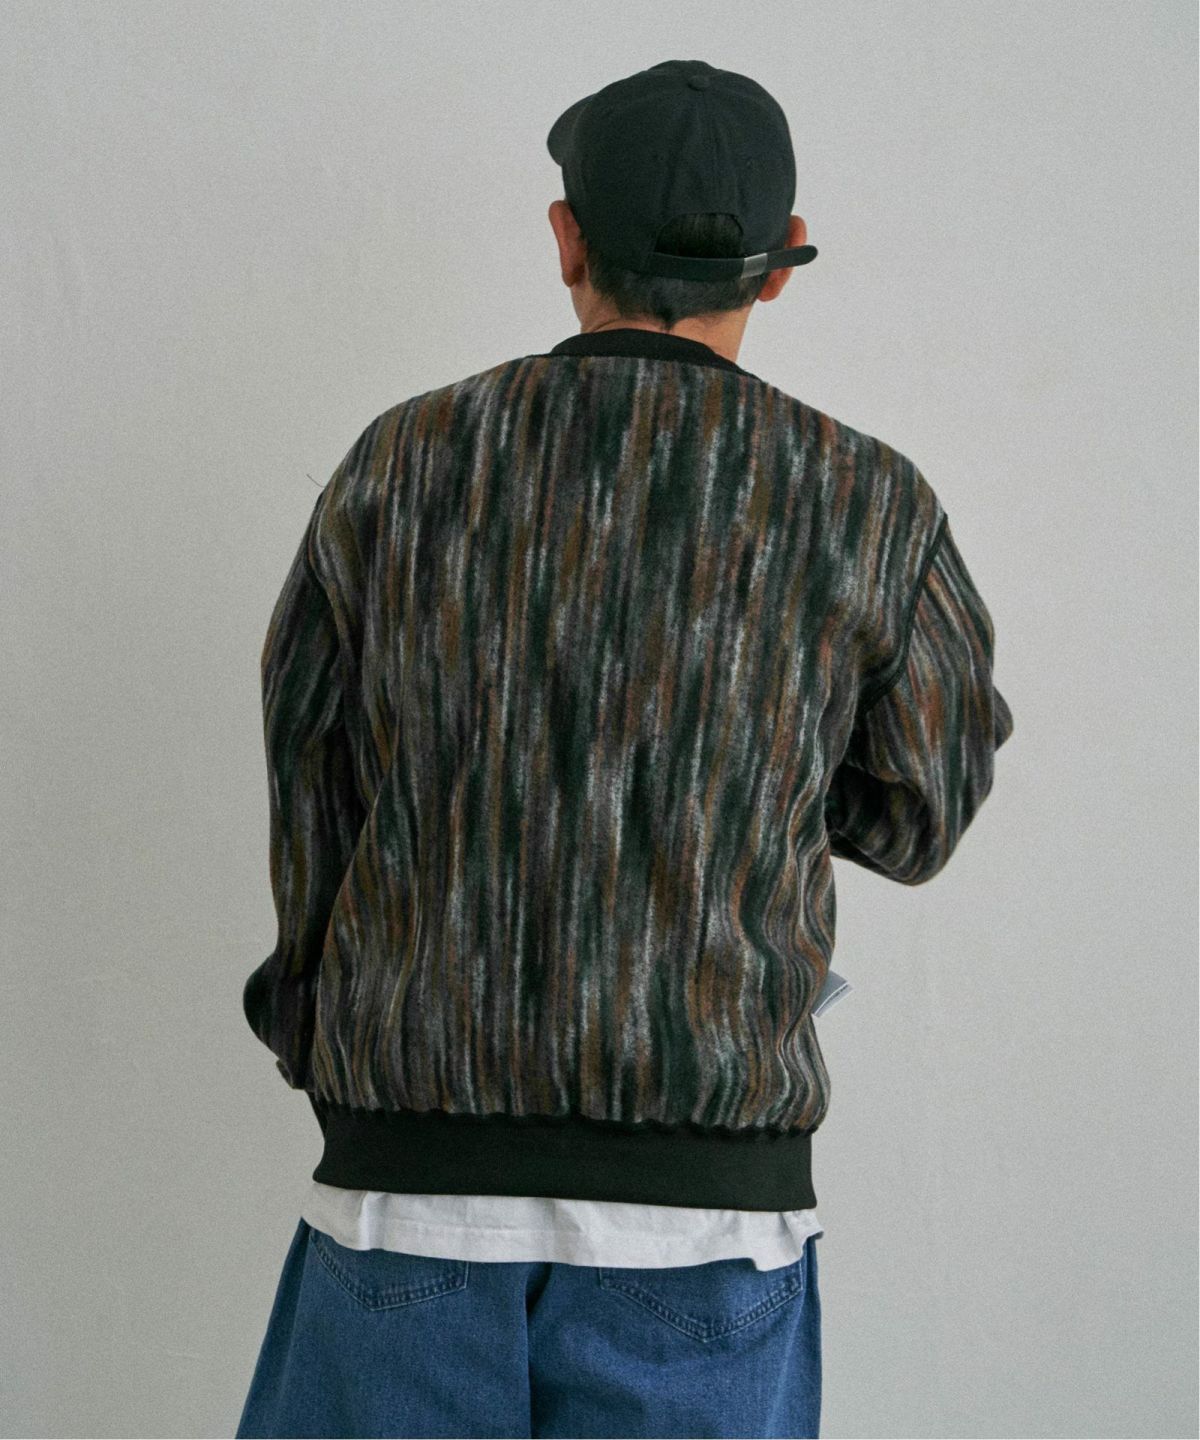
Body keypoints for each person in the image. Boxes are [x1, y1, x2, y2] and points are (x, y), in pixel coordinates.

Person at [236, 57, 1013, 1440]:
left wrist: (318, 1024)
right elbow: (925, 806)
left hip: (409, 1190)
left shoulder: (401, 463)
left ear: (566, 238)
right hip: (708, 1218)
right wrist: (748, 782)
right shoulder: (867, 500)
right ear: (781, 262)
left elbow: (312, 763)